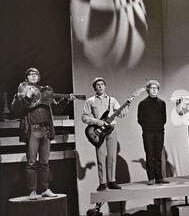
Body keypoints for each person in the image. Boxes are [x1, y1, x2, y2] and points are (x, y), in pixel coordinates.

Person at [11, 68, 74, 200]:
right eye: (31, 74)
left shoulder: (45, 91)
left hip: (45, 130)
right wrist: (25, 98)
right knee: (31, 162)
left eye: (36, 74)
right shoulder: (22, 91)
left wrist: (67, 99)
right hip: (32, 130)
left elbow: (56, 108)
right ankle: (32, 191)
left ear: (39, 77)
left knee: (45, 162)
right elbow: (15, 110)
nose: (33, 76)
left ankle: (45, 189)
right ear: (26, 77)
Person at [81, 77, 129, 191]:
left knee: (112, 156)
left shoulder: (112, 100)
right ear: (94, 88)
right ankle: (102, 183)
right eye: (97, 85)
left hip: (111, 130)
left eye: (102, 84)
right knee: (100, 156)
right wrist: (97, 121)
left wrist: (127, 105)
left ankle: (112, 181)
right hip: (99, 131)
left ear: (105, 86)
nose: (100, 86)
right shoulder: (90, 101)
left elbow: (121, 114)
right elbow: (84, 117)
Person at [137, 80, 169, 185]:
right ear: (148, 90)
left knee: (158, 155)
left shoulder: (162, 103)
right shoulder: (142, 104)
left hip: (159, 132)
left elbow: (164, 119)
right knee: (149, 155)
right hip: (148, 133)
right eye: (152, 88)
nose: (155, 90)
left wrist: (158, 127)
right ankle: (151, 178)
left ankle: (159, 177)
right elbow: (140, 119)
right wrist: (147, 128)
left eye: (156, 88)